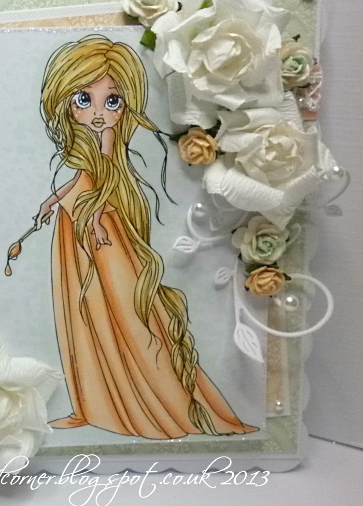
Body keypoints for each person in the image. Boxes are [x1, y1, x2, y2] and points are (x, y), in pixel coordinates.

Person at [33, 34, 256, 439]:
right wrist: (54, 201)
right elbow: (83, 179)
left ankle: (148, 402)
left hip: (100, 230)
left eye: (112, 101)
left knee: (121, 310)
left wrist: (93, 218)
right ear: (65, 100)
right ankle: (91, 405)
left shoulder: (108, 140)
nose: (98, 112)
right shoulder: (87, 142)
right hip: (78, 225)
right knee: (82, 314)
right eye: (84, 99)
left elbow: (104, 182)